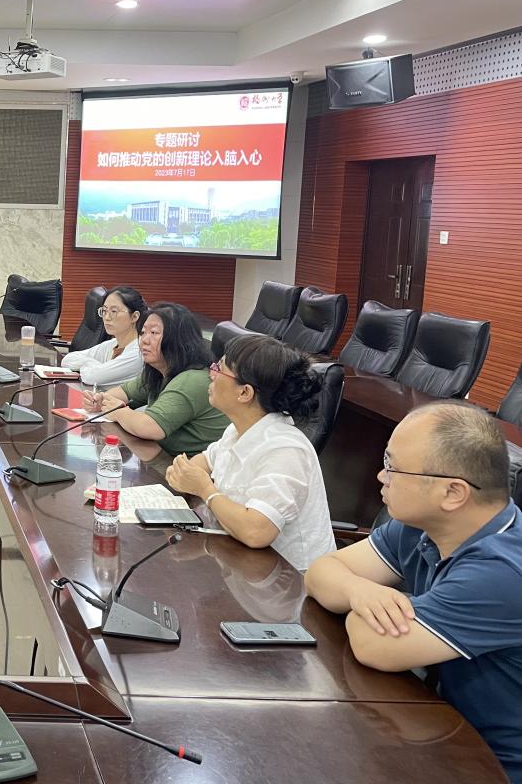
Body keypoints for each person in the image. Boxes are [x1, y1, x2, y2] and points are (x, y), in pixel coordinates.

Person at [305, 402, 522, 782]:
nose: (380, 475)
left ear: (452, 493)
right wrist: (359, 591)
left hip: (492, 765)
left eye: (393, 466)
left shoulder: (503, 572)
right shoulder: (422, 524)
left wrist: (365, 603)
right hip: (433, 724)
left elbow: (375, 646)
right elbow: (320, 572)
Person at [165, 334, 335, 571]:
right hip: (242, 563)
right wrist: (186, 474)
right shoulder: (238, 429)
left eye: (219, 369)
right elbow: (205, 460)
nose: (211, 374)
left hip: (292, 581)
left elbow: (256, 531)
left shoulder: (285, 450)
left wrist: (204, 488)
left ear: (245, 393)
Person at [83, 301, 228, 456]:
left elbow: (149, 428)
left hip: (194, 466)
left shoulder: (192, 380)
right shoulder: (158, 371)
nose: (144, 340)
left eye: (154, 333)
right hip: (166, 457)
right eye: (143, 333)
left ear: (178, 339)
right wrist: (99, 400)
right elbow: (120, 394)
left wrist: (117, 412)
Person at [59, 286, 146, 389]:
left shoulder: (139, 352)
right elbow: (67, 360)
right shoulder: (113, 344)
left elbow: (92, 377)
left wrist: (95, 367)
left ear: (134, 316)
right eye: (104, 311)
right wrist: (97, 366)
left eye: (114, 311)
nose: (107, 318)